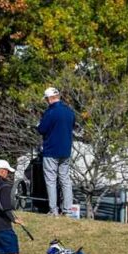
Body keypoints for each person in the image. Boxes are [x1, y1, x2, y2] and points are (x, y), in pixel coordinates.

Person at [36, 86, 76, 216]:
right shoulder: (69, 111)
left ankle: (53, 210)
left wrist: (38, 125)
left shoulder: (50, 112)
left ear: (49, 98)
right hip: (66, 150)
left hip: (51, 150)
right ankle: (68, 210)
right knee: (65, 180)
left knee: (51, 180)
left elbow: (42, 129)